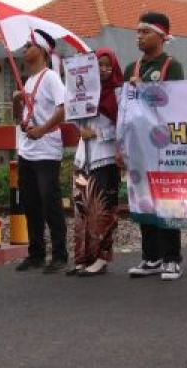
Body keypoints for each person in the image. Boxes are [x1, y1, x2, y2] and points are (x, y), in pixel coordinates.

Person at [125, 11, 187, 281]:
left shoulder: (171, 66)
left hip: (164, 145)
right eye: (137, 32)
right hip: (139, 146)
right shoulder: (131, 69)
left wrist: (145, 91)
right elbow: (124, 111)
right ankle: (151, 257)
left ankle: (172, 258)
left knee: (167, 200)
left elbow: (176, 103)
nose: (139, 37)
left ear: (160, 36)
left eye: (144, 32)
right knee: (143, 200)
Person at [11, 29, 69, 274]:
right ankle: (35, 253)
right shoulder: (30, 80)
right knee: (30, 203)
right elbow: (21, 119)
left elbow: (64, 108)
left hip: (46, 150)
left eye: (29, 45)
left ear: (43, 50)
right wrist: (16, 102)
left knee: (49, 202)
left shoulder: (51, 78)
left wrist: (43, 130)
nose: (25, 50)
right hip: (27, 149)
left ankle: (60, 254)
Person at [68, 47, 123, 277]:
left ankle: (101, 257)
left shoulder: (119, 93)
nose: (104, 70)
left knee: (102, 208)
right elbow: (72, 115)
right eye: (99, 65)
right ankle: (83, 256)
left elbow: (125, 125)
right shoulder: (83, 90)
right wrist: (81, 130)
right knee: (81, 208)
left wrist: (99, 135)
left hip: (106, 156)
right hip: (83, 156)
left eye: (108, 65)